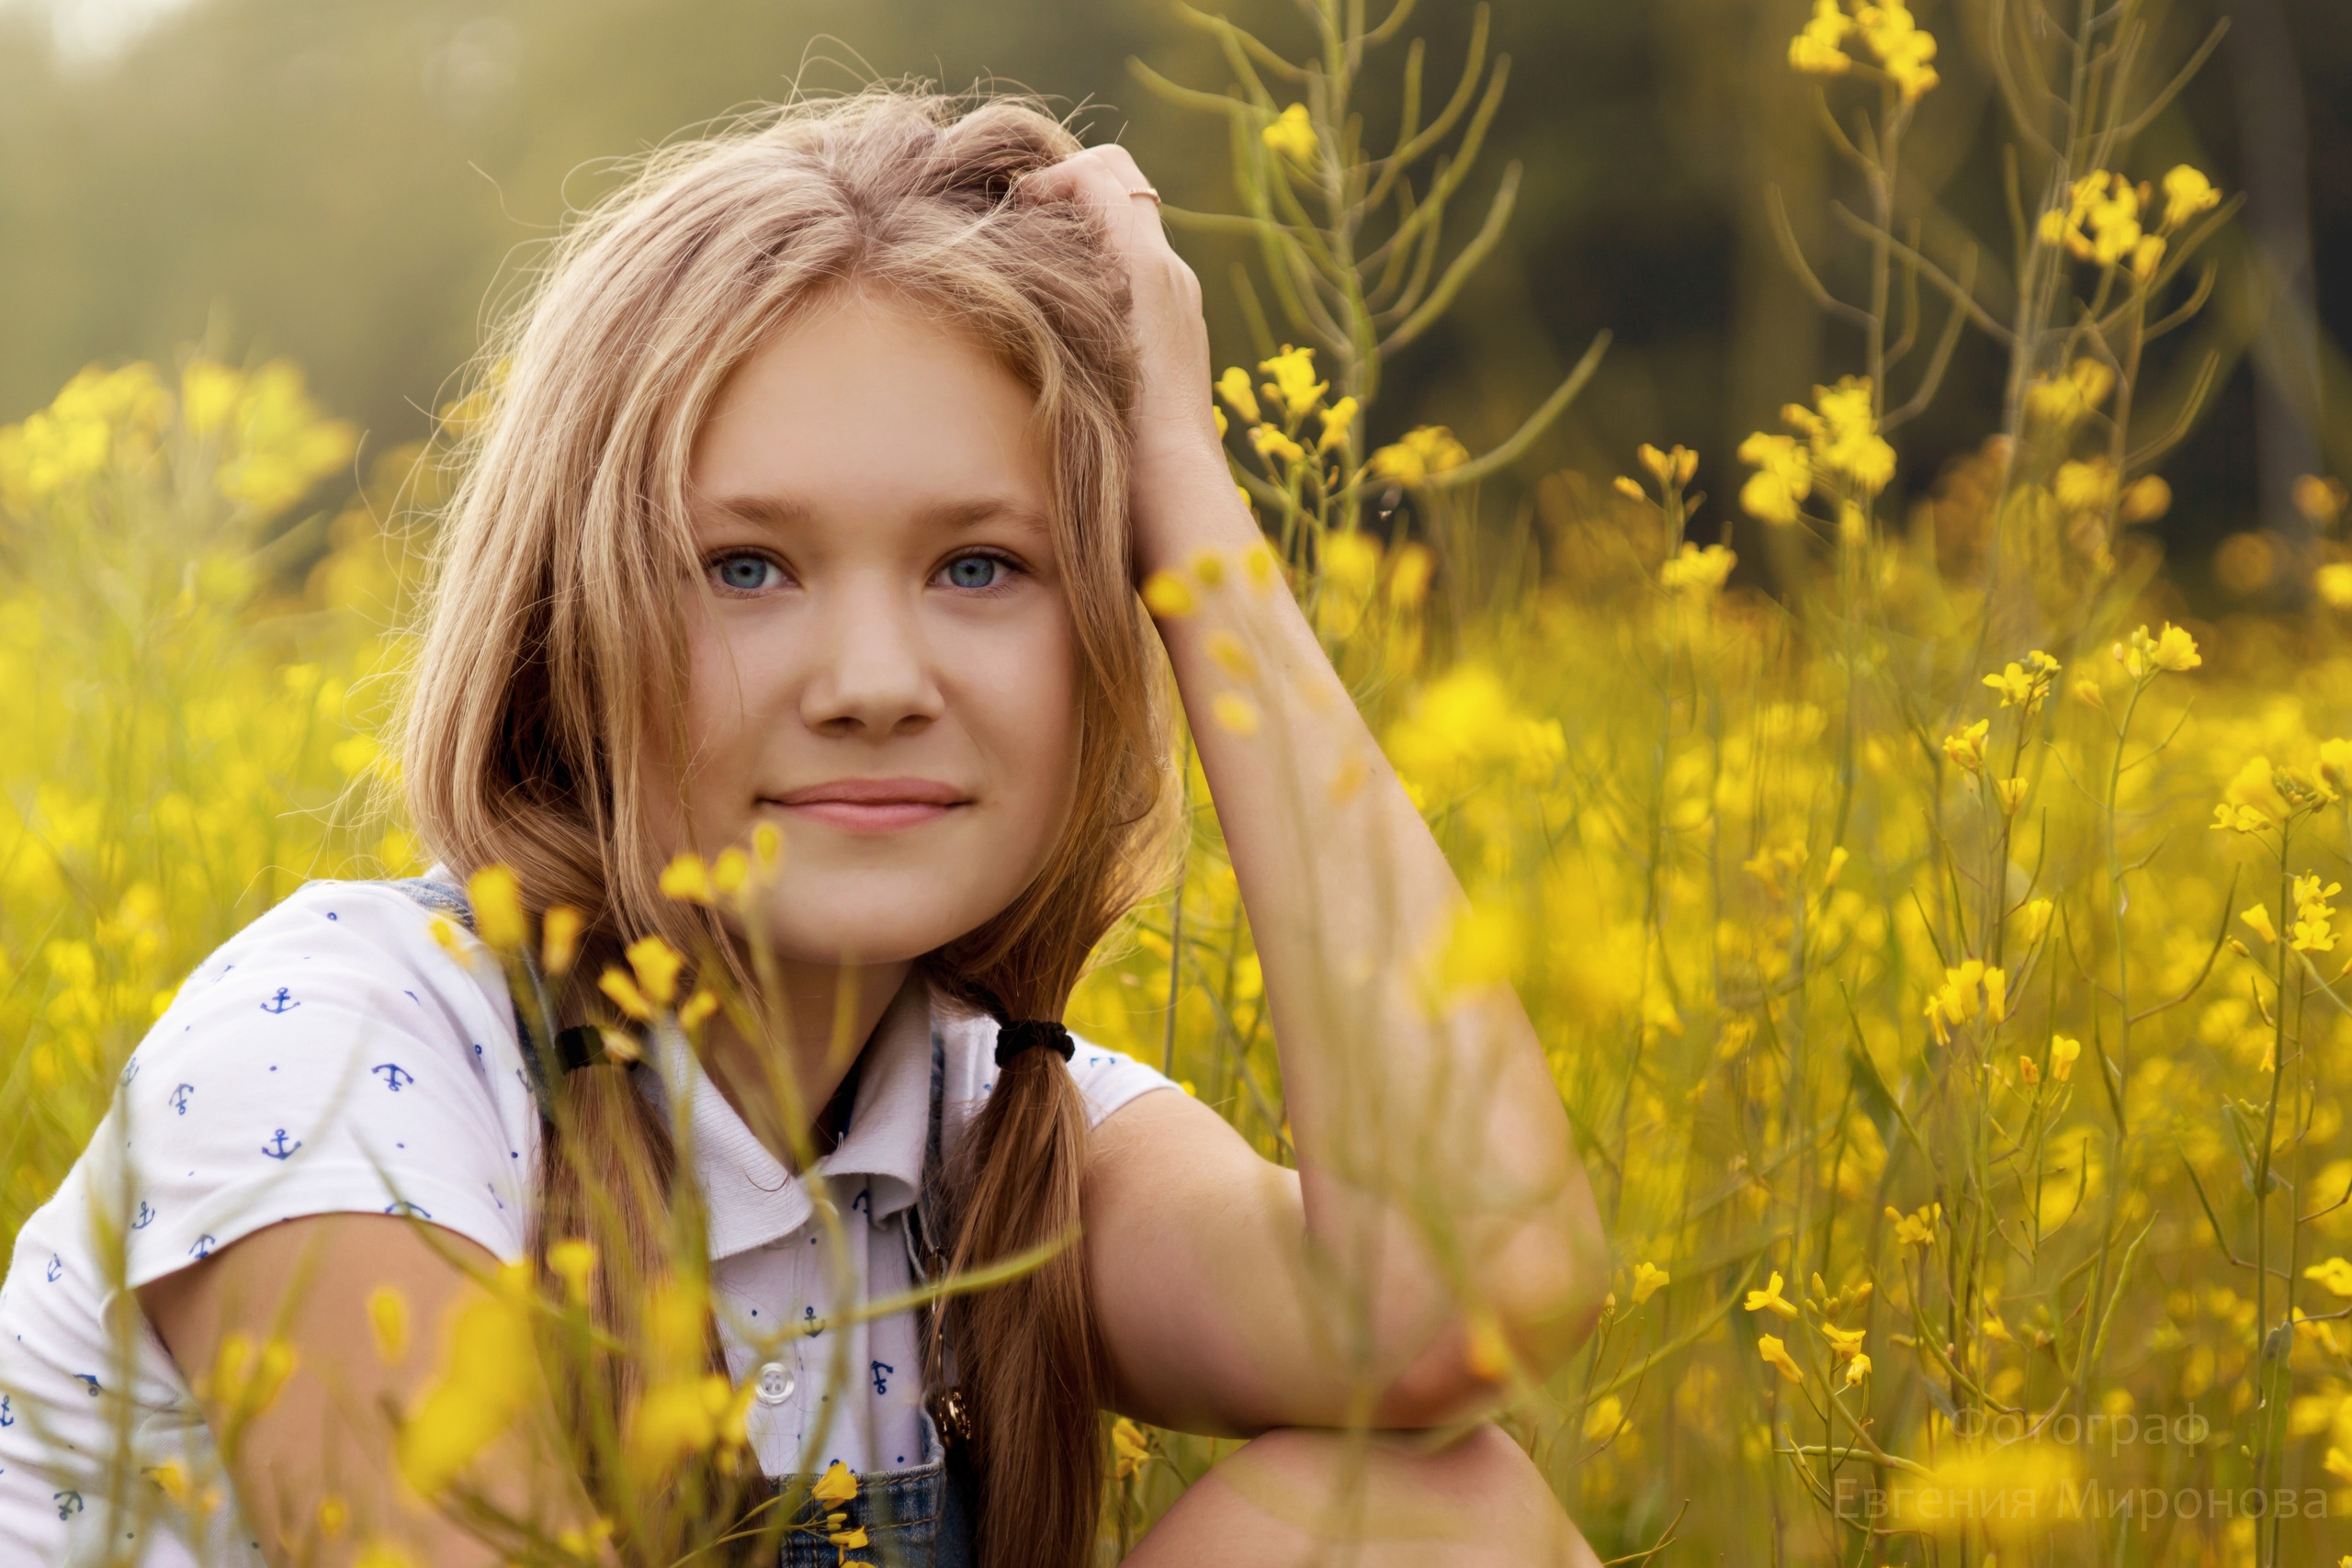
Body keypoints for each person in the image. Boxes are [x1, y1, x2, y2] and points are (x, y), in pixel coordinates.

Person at [0, 88, 1607, 1567]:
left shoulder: (993, 1129)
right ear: (572, 629)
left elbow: (1466, 1293)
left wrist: (1185, 493)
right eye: (747, 568)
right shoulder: (337, 1059)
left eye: (983, 565)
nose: (872, 683)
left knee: (1427, 1512)